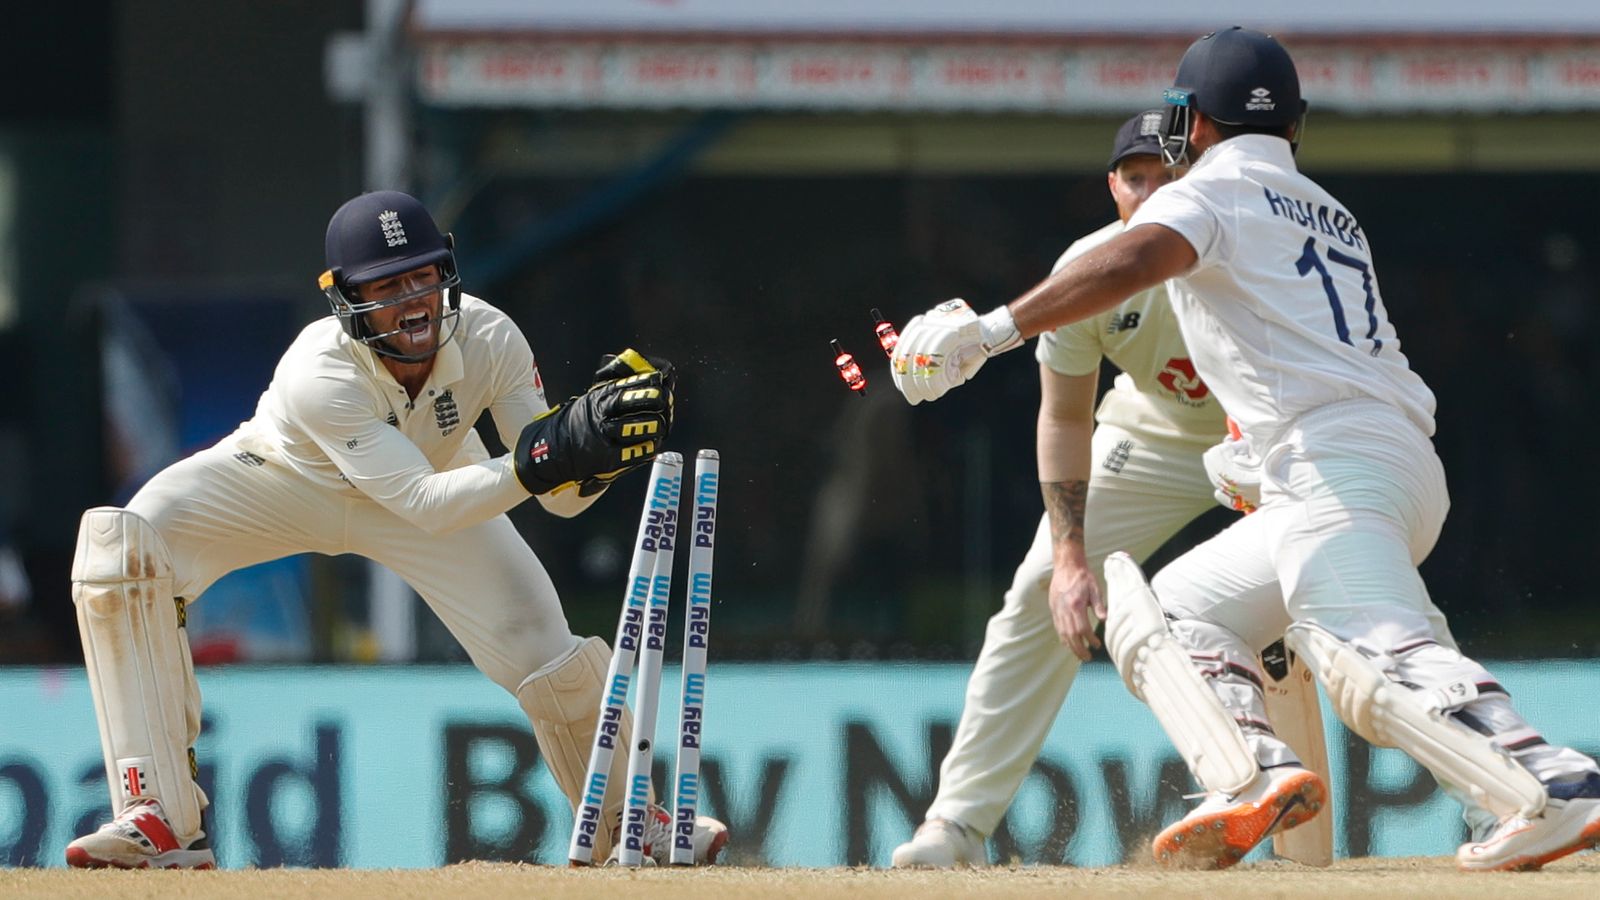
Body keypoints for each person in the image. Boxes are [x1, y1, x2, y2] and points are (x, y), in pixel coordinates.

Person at [887, 27, 1600, 873]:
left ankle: (1557, 782)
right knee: (1182, 611)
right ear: (1295, 125)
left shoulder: (1208, 190)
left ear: (1187, 123)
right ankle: (1257, 771)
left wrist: (989, 332)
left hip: (1332, 466)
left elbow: (1144, 252)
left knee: (1375, 653)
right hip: (1380, 458)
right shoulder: (1327, 208)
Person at [64, 190, 727, 869]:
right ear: (347, 299)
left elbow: (557, 498)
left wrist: (599, 453)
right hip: (288, 482)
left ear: (448, 275)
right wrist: (542, 459)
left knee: (546, 652)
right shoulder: (318, 371)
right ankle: (160, 820)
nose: (413, 301)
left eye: (424, 276)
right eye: (386, 286)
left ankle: (627, 819)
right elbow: (433, 499)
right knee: (122, 547)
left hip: (440, 477)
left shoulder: (489, 335)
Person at [891, 111, 1228, 867]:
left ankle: (1492, 784)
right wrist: (1073, 556)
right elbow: (1067, 415)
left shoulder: (1238, 245)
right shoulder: (1088, 268)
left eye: (1169, 176)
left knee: (1335, 576)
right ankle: (956, 829)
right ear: (1113, 188)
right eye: (1136, 179)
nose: (1152, 193)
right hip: (1156, 435)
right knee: (1039, 590)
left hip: (1269, 438)